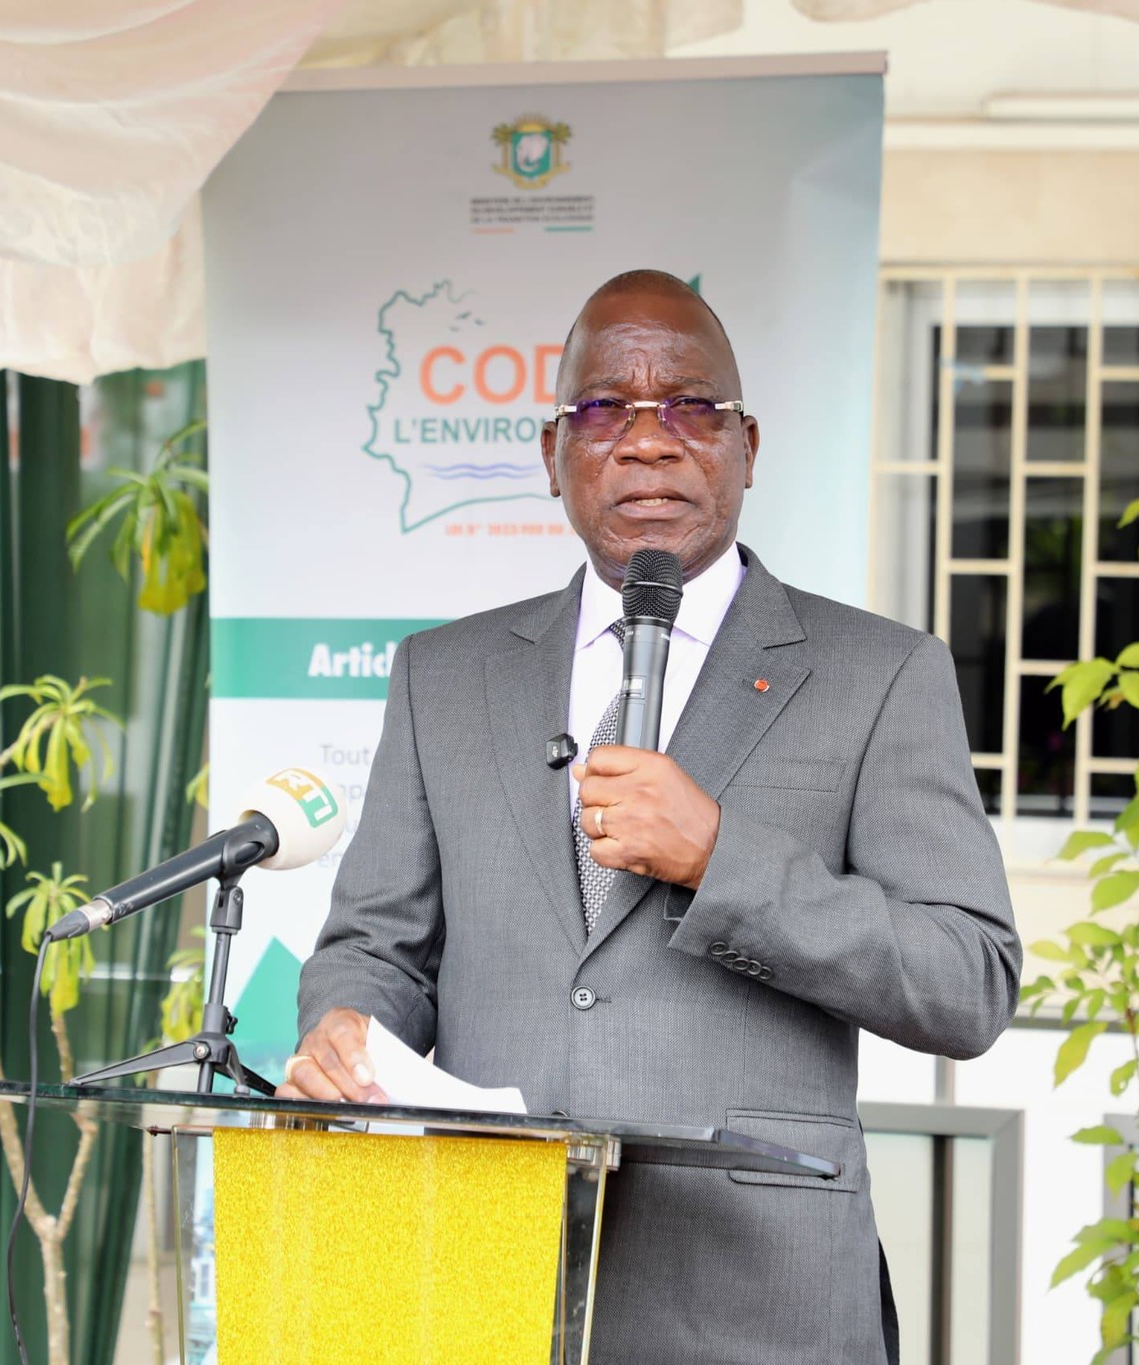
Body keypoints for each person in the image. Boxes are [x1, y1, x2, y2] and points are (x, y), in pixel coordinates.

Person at [283, 269, 1020, 1364]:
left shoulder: (878, 674)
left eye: (689, 406)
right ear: (553, 454)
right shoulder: (444, 675)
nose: (645, 441)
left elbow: (968, 980)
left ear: (745, 446)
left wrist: (721, 858)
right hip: (488, 1276)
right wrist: (345, 1024)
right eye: (602, 410)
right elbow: (375, 947)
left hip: (757, 1299)